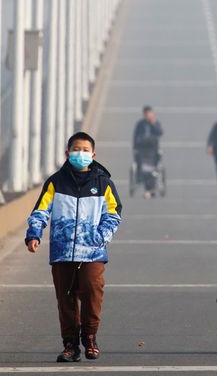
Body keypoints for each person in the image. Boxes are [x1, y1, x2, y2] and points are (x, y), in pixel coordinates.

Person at [25, 131, 124, 363]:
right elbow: (40, 211)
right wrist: (34, 235)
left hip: (92, 252)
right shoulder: (55, 182)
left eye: (85, 150)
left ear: (93, 154)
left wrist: (100, 237)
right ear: (68, 153)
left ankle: (89, 337)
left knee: (92, 292)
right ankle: (70, 345)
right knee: (65, 299)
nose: (81, 154)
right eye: (76, 150)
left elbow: (114, 213)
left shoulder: (103, 183)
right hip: (62, 252)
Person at [132, 105, 163, 199]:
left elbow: (160, 132)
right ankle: (147, 189)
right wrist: (135, 148)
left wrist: (153, 124)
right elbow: (135, 137)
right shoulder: (140, 124)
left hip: (153, 150)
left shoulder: (155, 123)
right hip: (142, 150)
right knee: (144, 168)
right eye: (147, 114)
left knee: (153, 168)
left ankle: (151, 189)